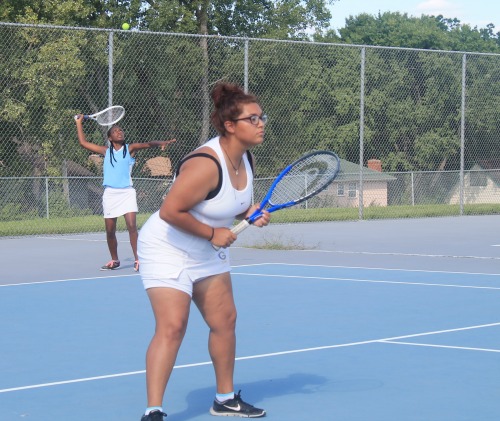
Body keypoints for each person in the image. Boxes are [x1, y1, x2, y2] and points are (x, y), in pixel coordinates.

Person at [137, 82, 270, 420]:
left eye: (261, 117)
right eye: (252, 119)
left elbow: (220, 204)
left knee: (225, 320)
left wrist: (247, 214)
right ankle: (154, 411)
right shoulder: (206, 164)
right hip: (167, 247)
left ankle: (225, 399)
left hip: (206, 249)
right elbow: (171, 211)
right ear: (230, 125)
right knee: (173, 326)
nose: (260, 123)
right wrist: (213, 233)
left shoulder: (246, 159)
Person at [74, 115, 176, 272]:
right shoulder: (105, 151)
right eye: (115, 131)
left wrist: (160, 143)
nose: (119, 132)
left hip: (127, 193)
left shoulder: (130, 149)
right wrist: (79, 123)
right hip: (110, 194)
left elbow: (147, 144)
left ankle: (138, 259)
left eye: (120, 130)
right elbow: (83, 143)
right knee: (110, 231)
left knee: (131, 226)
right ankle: (115, 260)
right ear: (110, 137)